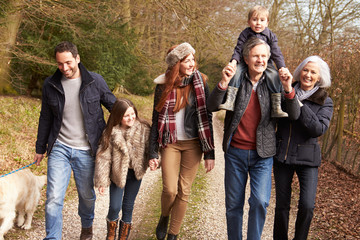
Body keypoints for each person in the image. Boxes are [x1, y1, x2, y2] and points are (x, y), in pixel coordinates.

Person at [207, 37, 299, 240]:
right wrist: (223, 82)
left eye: (264, 56)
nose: (261, 60)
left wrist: (288, 88)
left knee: (260, 201)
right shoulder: (235, 79)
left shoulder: (274, 82)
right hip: (235, 153)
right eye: (256, 56)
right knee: (233, 205)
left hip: (263, 155)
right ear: (246, 59)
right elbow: (211, 106)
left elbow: (294, 115)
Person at [33, 41, 116, 240]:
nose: (64, 68)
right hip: (59, 147)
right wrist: (40, 147)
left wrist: (131, 125)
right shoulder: (50, 84)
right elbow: (45, 117)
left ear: (77, 58)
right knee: (53, 197)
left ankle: (87, 228)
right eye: (60, 64)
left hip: (87, 149)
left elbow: (115, 107)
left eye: (68, 62)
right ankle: (53, 237)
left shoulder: (95, 81)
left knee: (86, 197)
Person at [148, 42, 215, 240]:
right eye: (187, 60)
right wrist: (153, 152)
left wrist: (209, 153)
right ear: (177, 63)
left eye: (193, 59)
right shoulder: (163, 86)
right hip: (171, 143)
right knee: (170, 189)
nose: (192, 63)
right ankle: (164, 215)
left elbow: (207, 118)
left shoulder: (201, 82)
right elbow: (155, 119)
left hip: (193, 144)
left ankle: (173, 235)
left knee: (184, 191)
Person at [273, 56, 334, 240]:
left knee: (307, 205)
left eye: (313, 72)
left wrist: (298, 102)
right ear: (300, 72)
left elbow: (317, 129)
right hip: (282, 155)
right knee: (282, 205)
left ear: (319, 78)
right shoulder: (285, 91)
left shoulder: (325, 101)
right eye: (305, 70)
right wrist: (289, 94)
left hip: (307, 159)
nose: (308, 75)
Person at [94, 98, 151, 240]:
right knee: (114, 206)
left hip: (135, 174)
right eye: (126, 116)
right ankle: (111, 234)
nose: (131, 118)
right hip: (117, 174)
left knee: (128, 206)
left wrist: (154, 159)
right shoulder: (111, 132)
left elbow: (152, 148)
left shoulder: (143, 128)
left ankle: (123, 237)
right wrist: (102, 180)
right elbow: (103, 158)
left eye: (133, 114)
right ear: (119, 116)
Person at [219, 5, 288, 118]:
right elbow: (238, 49)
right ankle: (230, 100)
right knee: (235, 74)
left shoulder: (270, 35)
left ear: (267, 23)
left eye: (262, 20)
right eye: (254, 20)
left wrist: (281, 66)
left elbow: (276, 52)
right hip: (244, 60)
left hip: (265, 63)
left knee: (275, 76)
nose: (258, 23)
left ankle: (277, 106)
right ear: (248, 21)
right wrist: (234, 61)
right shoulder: (245, 34)